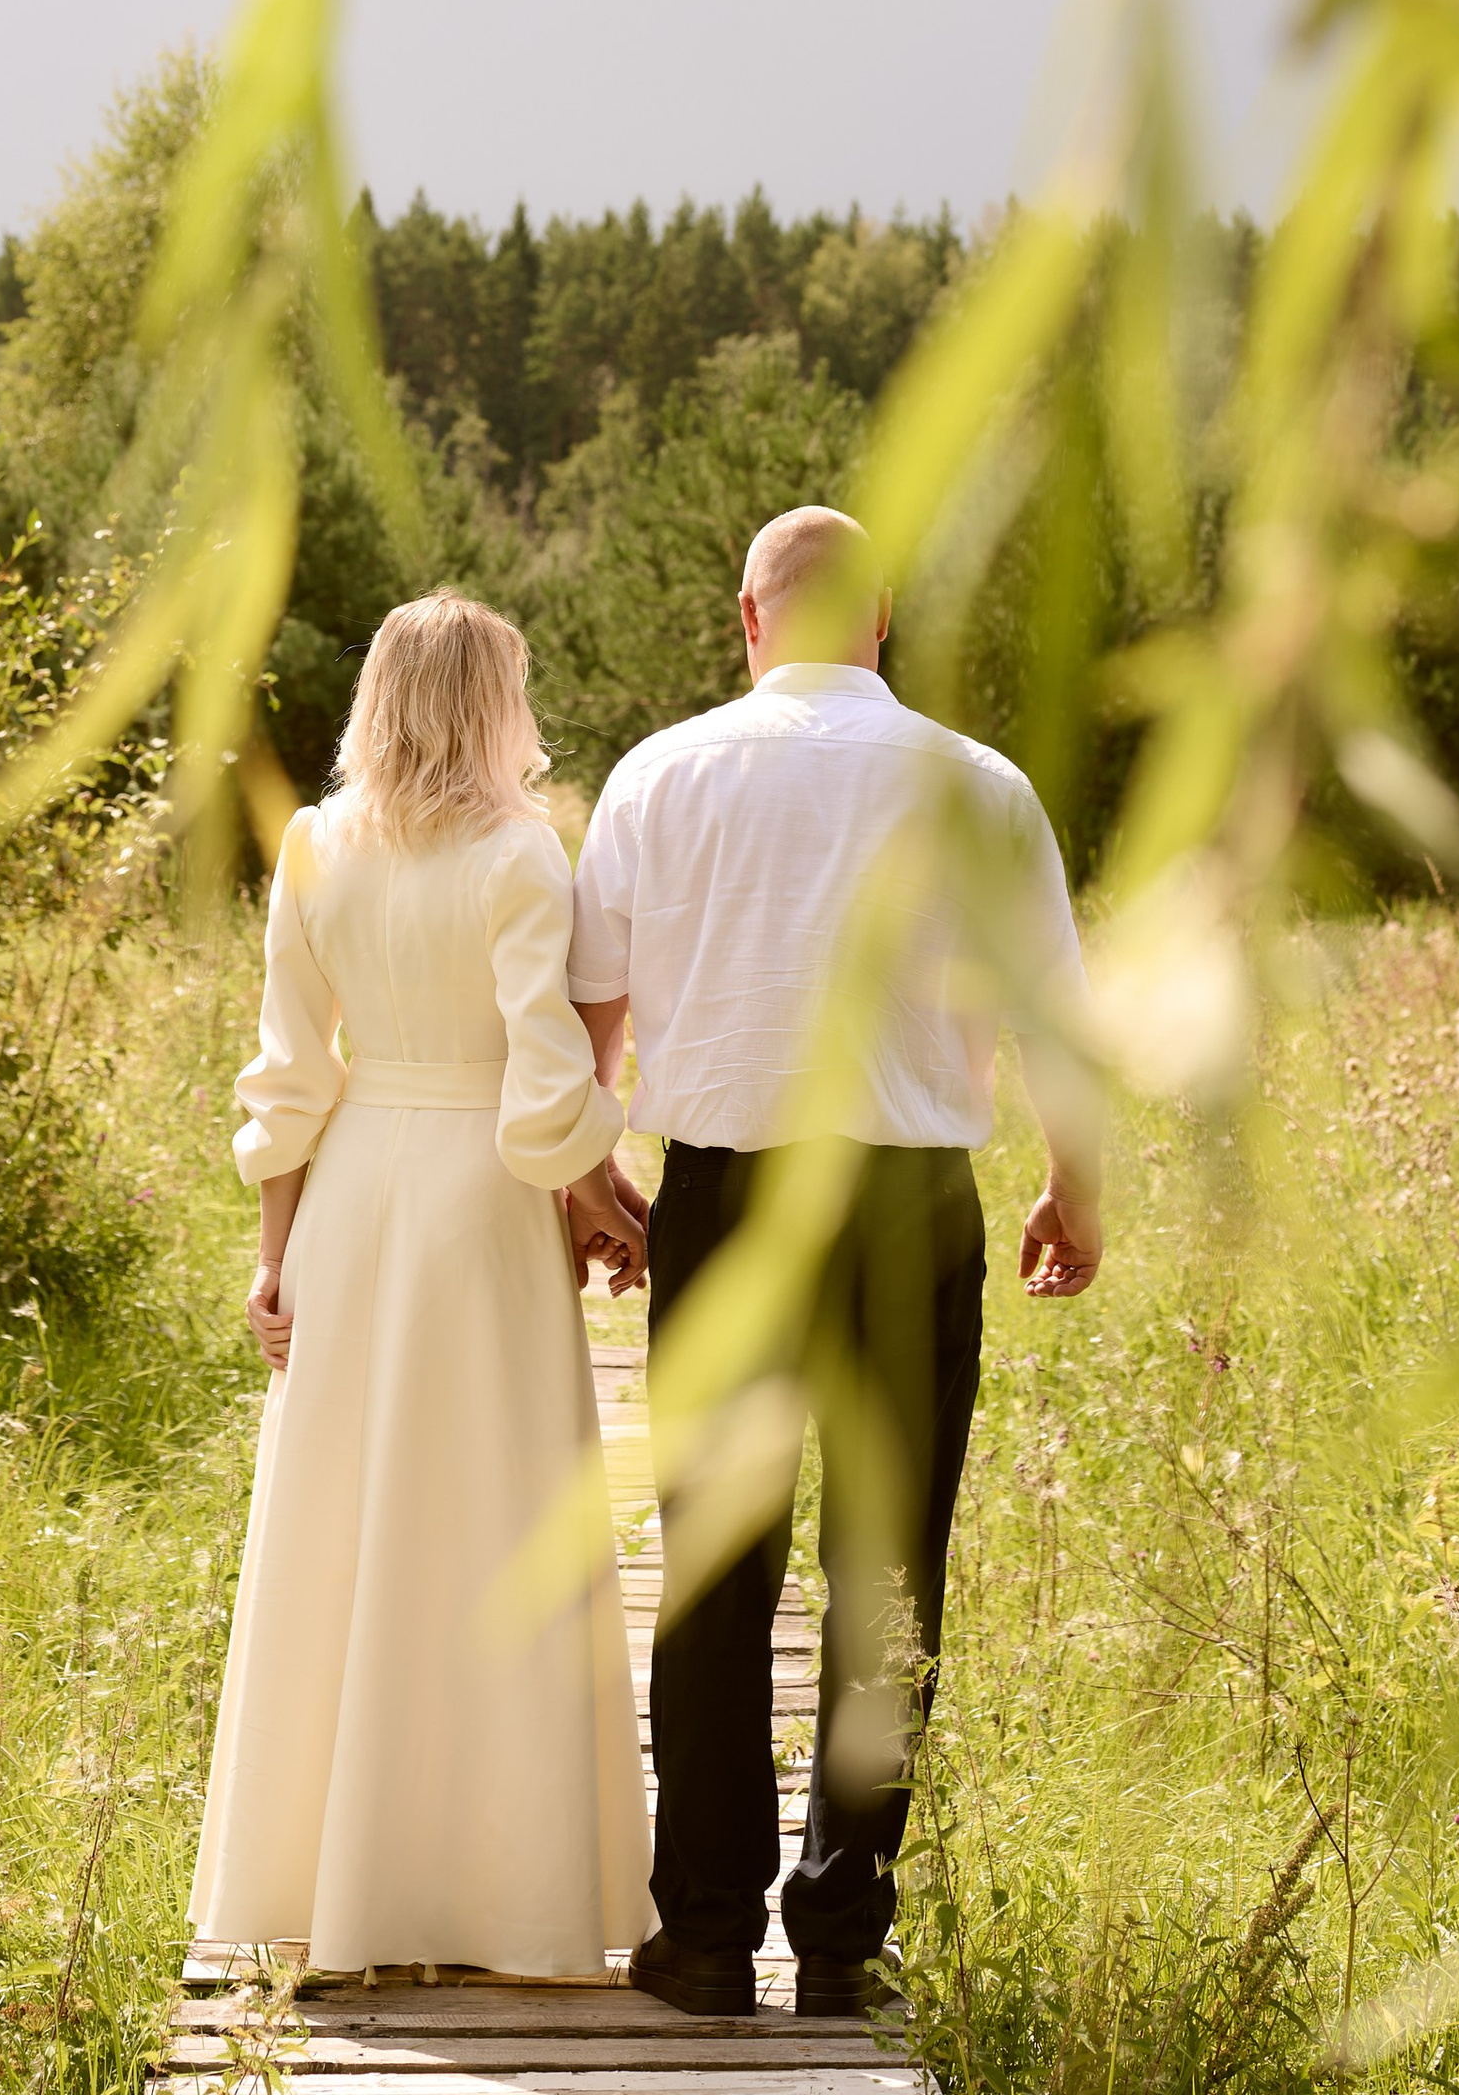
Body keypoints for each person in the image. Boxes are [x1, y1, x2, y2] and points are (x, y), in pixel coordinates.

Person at [568, 504, 1100, 2028]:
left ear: (747, 617)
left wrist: (594, 1172)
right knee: (884, 1567)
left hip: (725, 1202)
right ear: (878, 618)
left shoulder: (659, 775)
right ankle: (845, 1940)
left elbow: (593, 1024)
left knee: (718, 1572)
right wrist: (1076, 1189)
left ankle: (706, 1938)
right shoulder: (981, 788)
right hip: (906, 1201)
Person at [190, 590, 657, 1981]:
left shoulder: (315, 848)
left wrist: (273, 1257)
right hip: (478, 1216)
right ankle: (500, 1897)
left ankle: (336, 1892)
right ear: (493, 703)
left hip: (349, 1203)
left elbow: (291, 1074)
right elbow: (544, 1077)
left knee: (346, 1528)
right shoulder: (521, 852)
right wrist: (608, 1199)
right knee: (493, 1525)